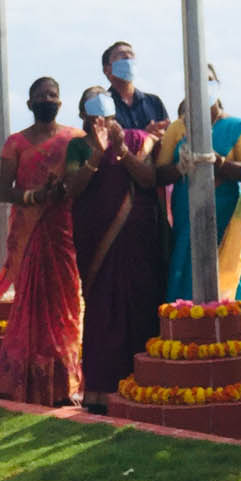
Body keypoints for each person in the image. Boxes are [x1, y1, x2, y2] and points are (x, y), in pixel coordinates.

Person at [64, 86, 164, 414]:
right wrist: (97, 154)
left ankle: (140, 381)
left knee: (138, 303)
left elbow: (149, 179)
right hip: (96, 239)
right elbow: (73, 188)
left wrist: (121, 149)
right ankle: (99, 389)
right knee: (101, 309)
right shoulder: (77, 147)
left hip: (136, 238)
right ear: (83, 115)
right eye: (93, 110)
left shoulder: (136, 139)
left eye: (105, 110)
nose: (101, 117)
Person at [0, 76, 84, 405]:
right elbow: (4, 191)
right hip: (30, 232)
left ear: (61, 101)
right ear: (30, 104)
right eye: (41, 96)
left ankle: (66, 381)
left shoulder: (76, 139)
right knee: (29, 305)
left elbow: (84, 180)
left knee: (66, 306)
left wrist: (62, 190)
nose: (48, 99)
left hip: (65, 232)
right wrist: (37, 196)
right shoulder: (15, 143)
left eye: (53, 94)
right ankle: (28, 382)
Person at [154, 98, 241, 304]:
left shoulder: (235, 127)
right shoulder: (178, 128)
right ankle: (185, 324)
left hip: (224, 210)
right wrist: (180, 168)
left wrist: (220, 164)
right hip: (187, 210)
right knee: (184, 266)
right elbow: (159, 174)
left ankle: (230, 326)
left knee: (227, 268)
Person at [100, 41, 169, 133]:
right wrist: (145, 136)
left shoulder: (154, 102)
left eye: (131, 55)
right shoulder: (102, 105)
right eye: (121, 55)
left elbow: (169, 138)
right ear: (106, 69)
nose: (128, 57)